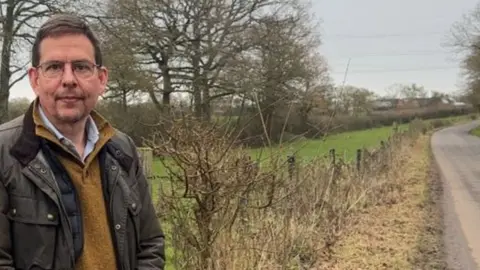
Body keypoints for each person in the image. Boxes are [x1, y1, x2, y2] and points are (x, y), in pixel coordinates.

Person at [0, 13, 165, 270]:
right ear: (34, 79)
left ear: (101, 79)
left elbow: (150, 245)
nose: (68, 79)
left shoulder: (121, 149)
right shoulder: (5, 153)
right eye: (54, 67)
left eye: (81, 67)